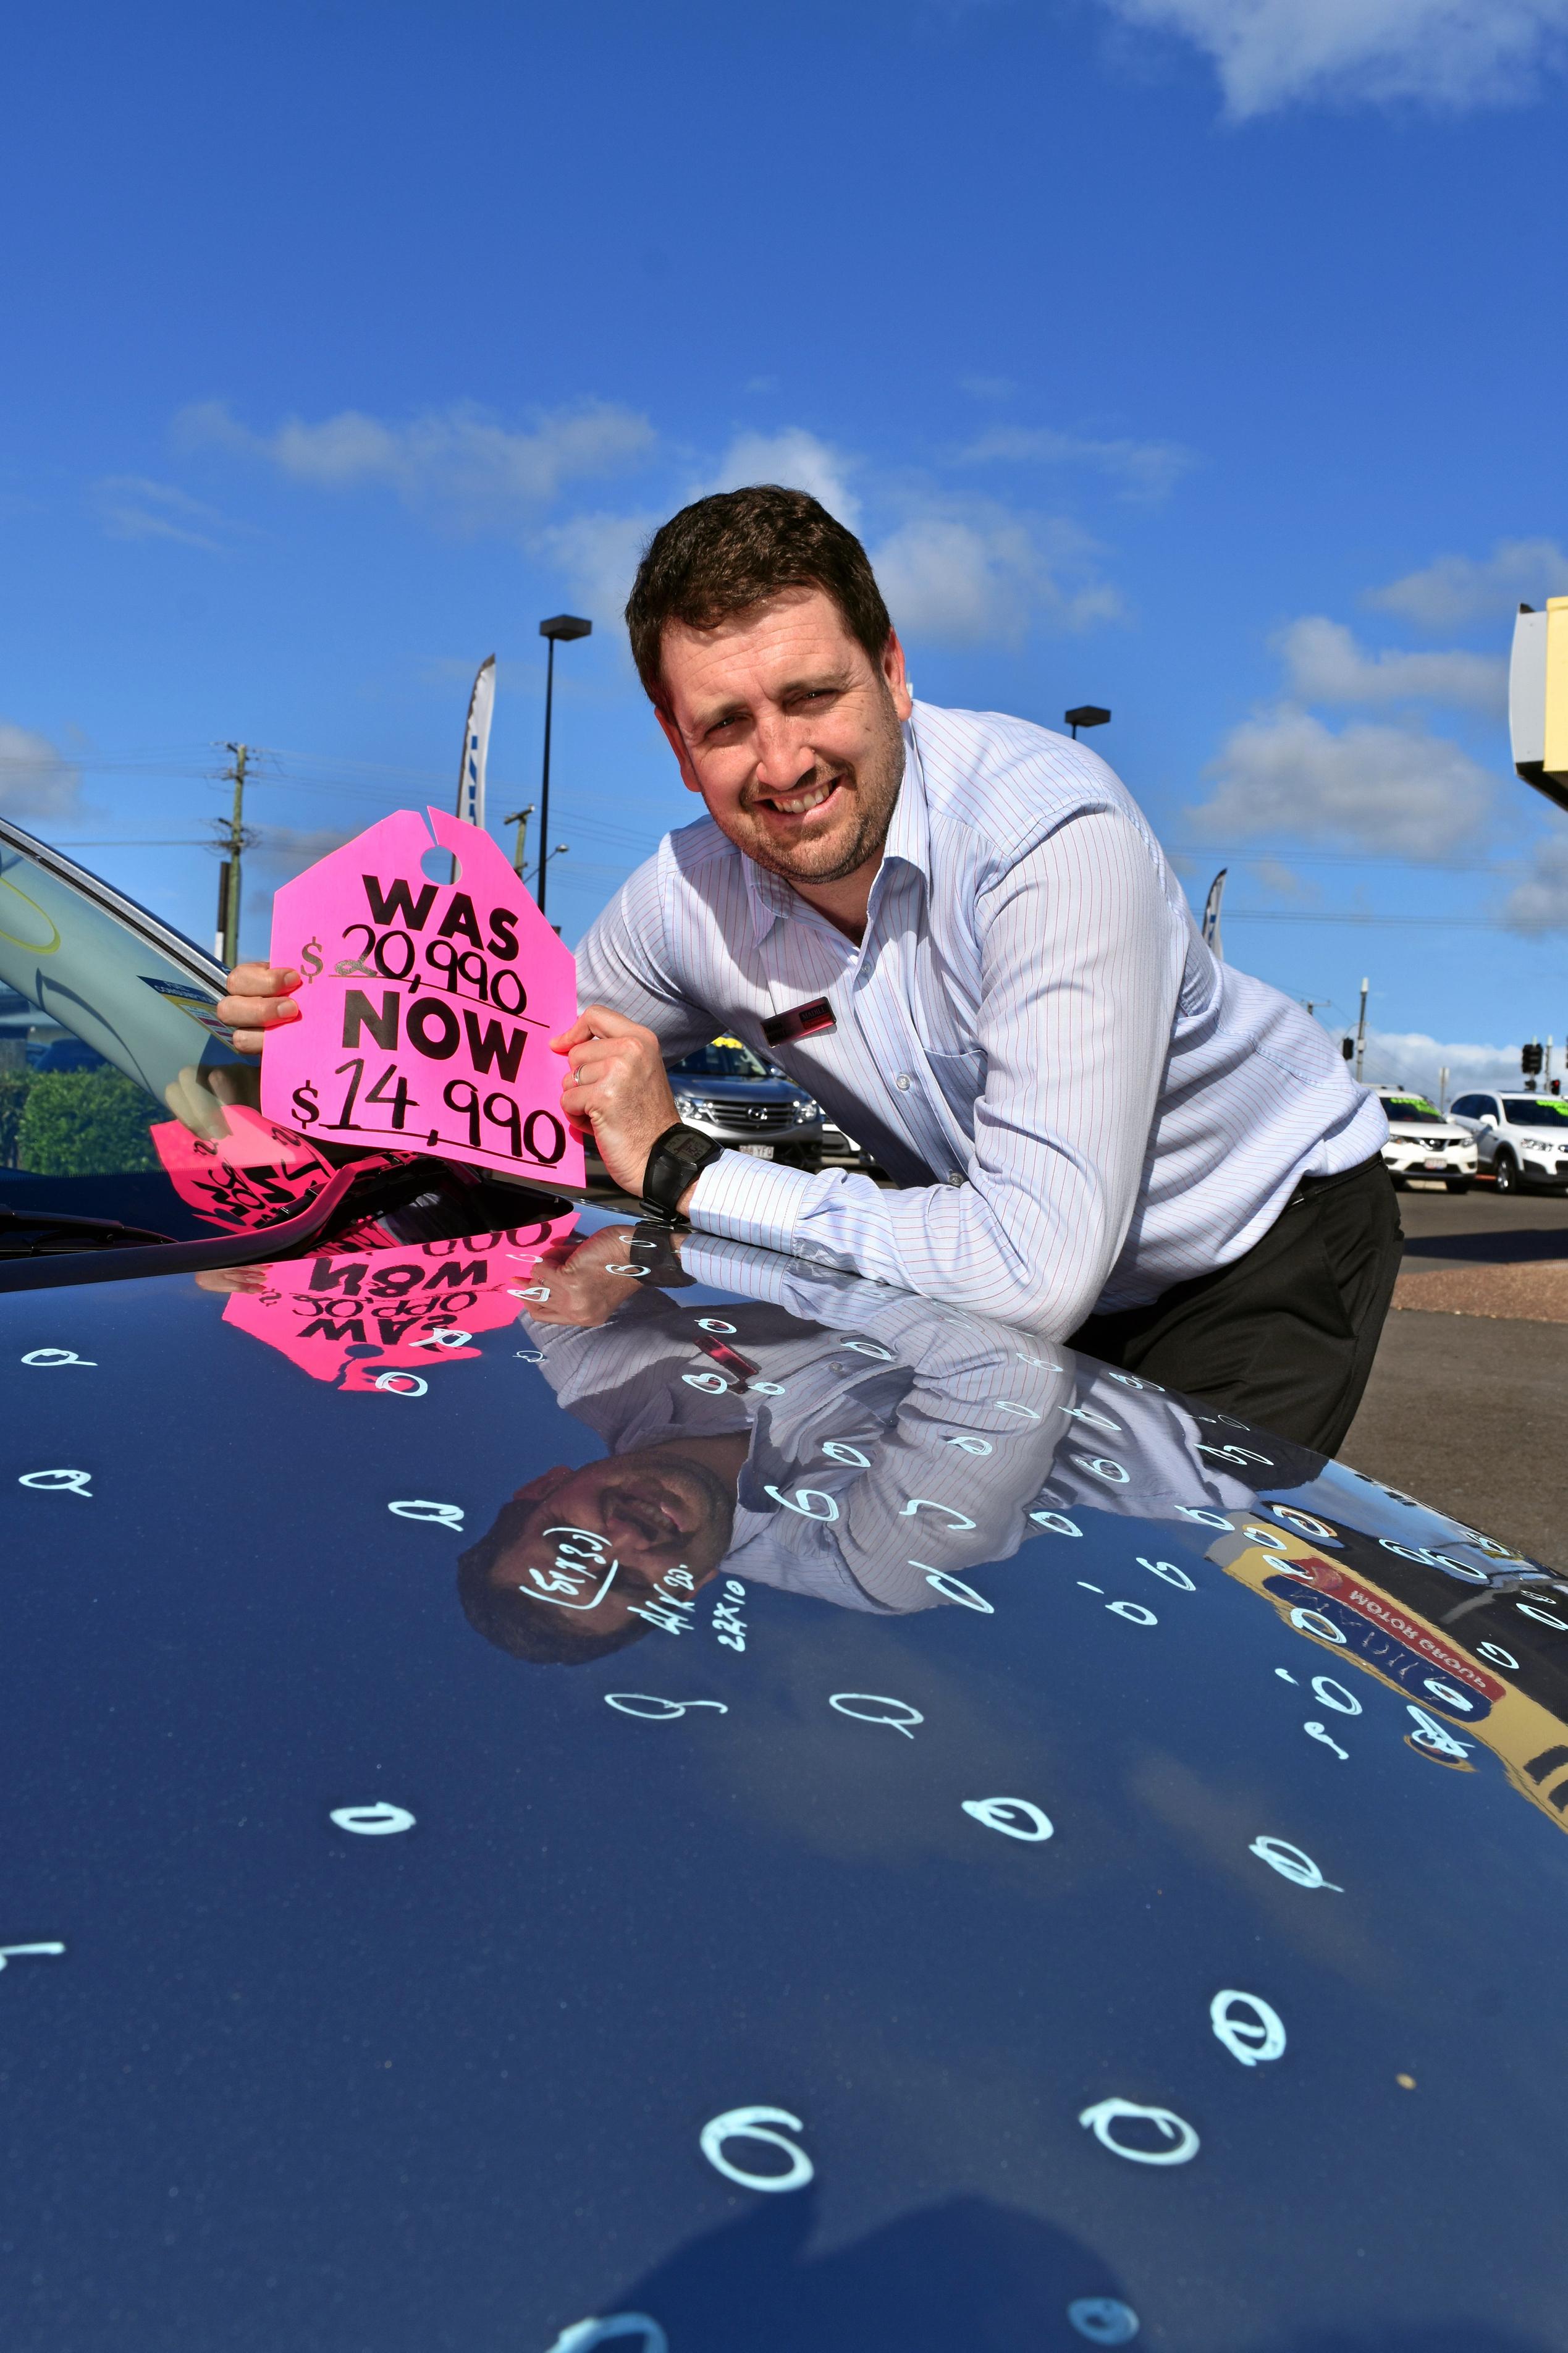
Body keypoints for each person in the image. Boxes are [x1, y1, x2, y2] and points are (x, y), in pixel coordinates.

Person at [219, 484, 1397, 1452]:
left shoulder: (1048, 836)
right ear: (677, 745)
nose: (781, 761)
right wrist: (333, 1028)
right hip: (994, 1271)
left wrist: (682, 1164)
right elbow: (495, 1060)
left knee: (1177, 1627)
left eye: (812, 695)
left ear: (891, 674)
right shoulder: (685, 897)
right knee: (1017, 1596)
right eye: (725, 723)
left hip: (1248, 1246)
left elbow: (1032, 1269)